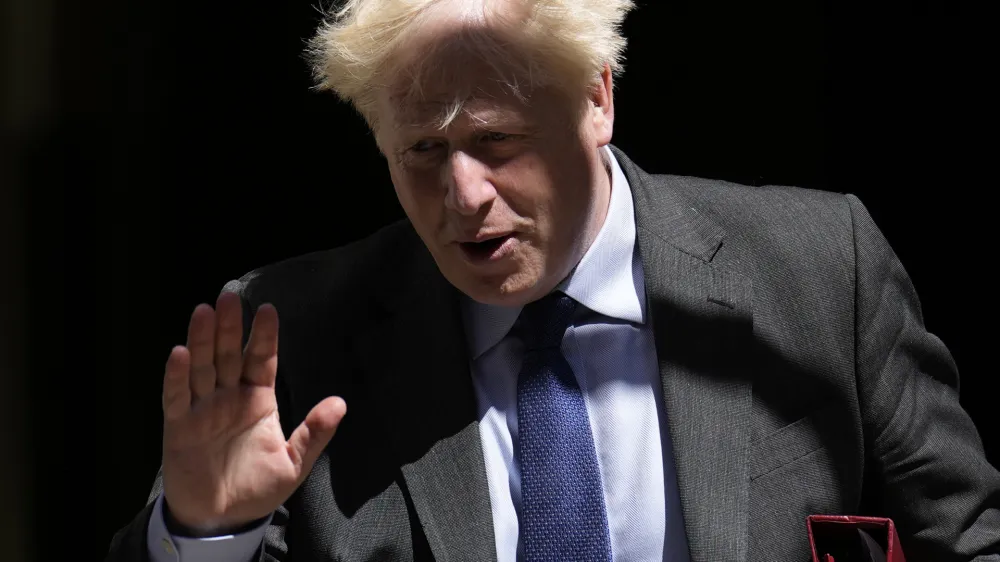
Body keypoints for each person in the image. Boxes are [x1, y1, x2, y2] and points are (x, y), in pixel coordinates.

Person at [106, 0, 1000, 560]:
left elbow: (959, 540)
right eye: (422, 151)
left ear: (598, 99)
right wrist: (205, 534)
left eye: (497, 140)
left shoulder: (816, 267)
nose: (463, 196)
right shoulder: (289, 337)